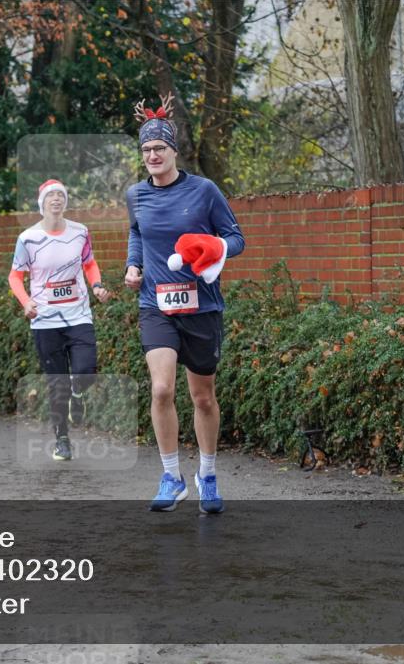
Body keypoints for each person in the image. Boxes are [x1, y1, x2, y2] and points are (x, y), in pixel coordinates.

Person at [124, 94, 245, 513]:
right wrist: (133, 265)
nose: (153, 155)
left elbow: (236, 238)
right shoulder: (136, 195)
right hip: (155, 304)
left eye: (159, 148)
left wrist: (212, 250)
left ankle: (207, 475)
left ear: (174, 150)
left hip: (202, 307)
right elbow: (136, 233)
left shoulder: (204, 190)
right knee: (161, 389)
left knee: (203, 397)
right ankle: (171, 476)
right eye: (146, 149)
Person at [9, 180, 110, 461]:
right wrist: (26, 301)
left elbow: (88, 262)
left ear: (65, 201)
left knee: (86, 369)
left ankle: (79, 393)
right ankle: (61, 439)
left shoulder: (80, 232)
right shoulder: (28, 238)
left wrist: (97, 285)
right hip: (45, 321)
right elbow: (15, 276)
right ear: (41, 203)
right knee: (57, 383)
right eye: (50, 196)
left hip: (78, 314)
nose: (56, 199)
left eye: (60, 195)